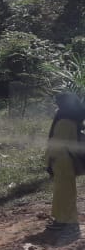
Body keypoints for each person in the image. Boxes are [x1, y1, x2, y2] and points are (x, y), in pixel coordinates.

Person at [46, 91, 84, 238]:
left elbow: (57, 145)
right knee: (63, 192)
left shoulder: (64, 121)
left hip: (62, 161)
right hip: (64, 161)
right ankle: (61, 219)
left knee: (65, 193)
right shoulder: (71, 118)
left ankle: (67, 222)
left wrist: (50, 161)